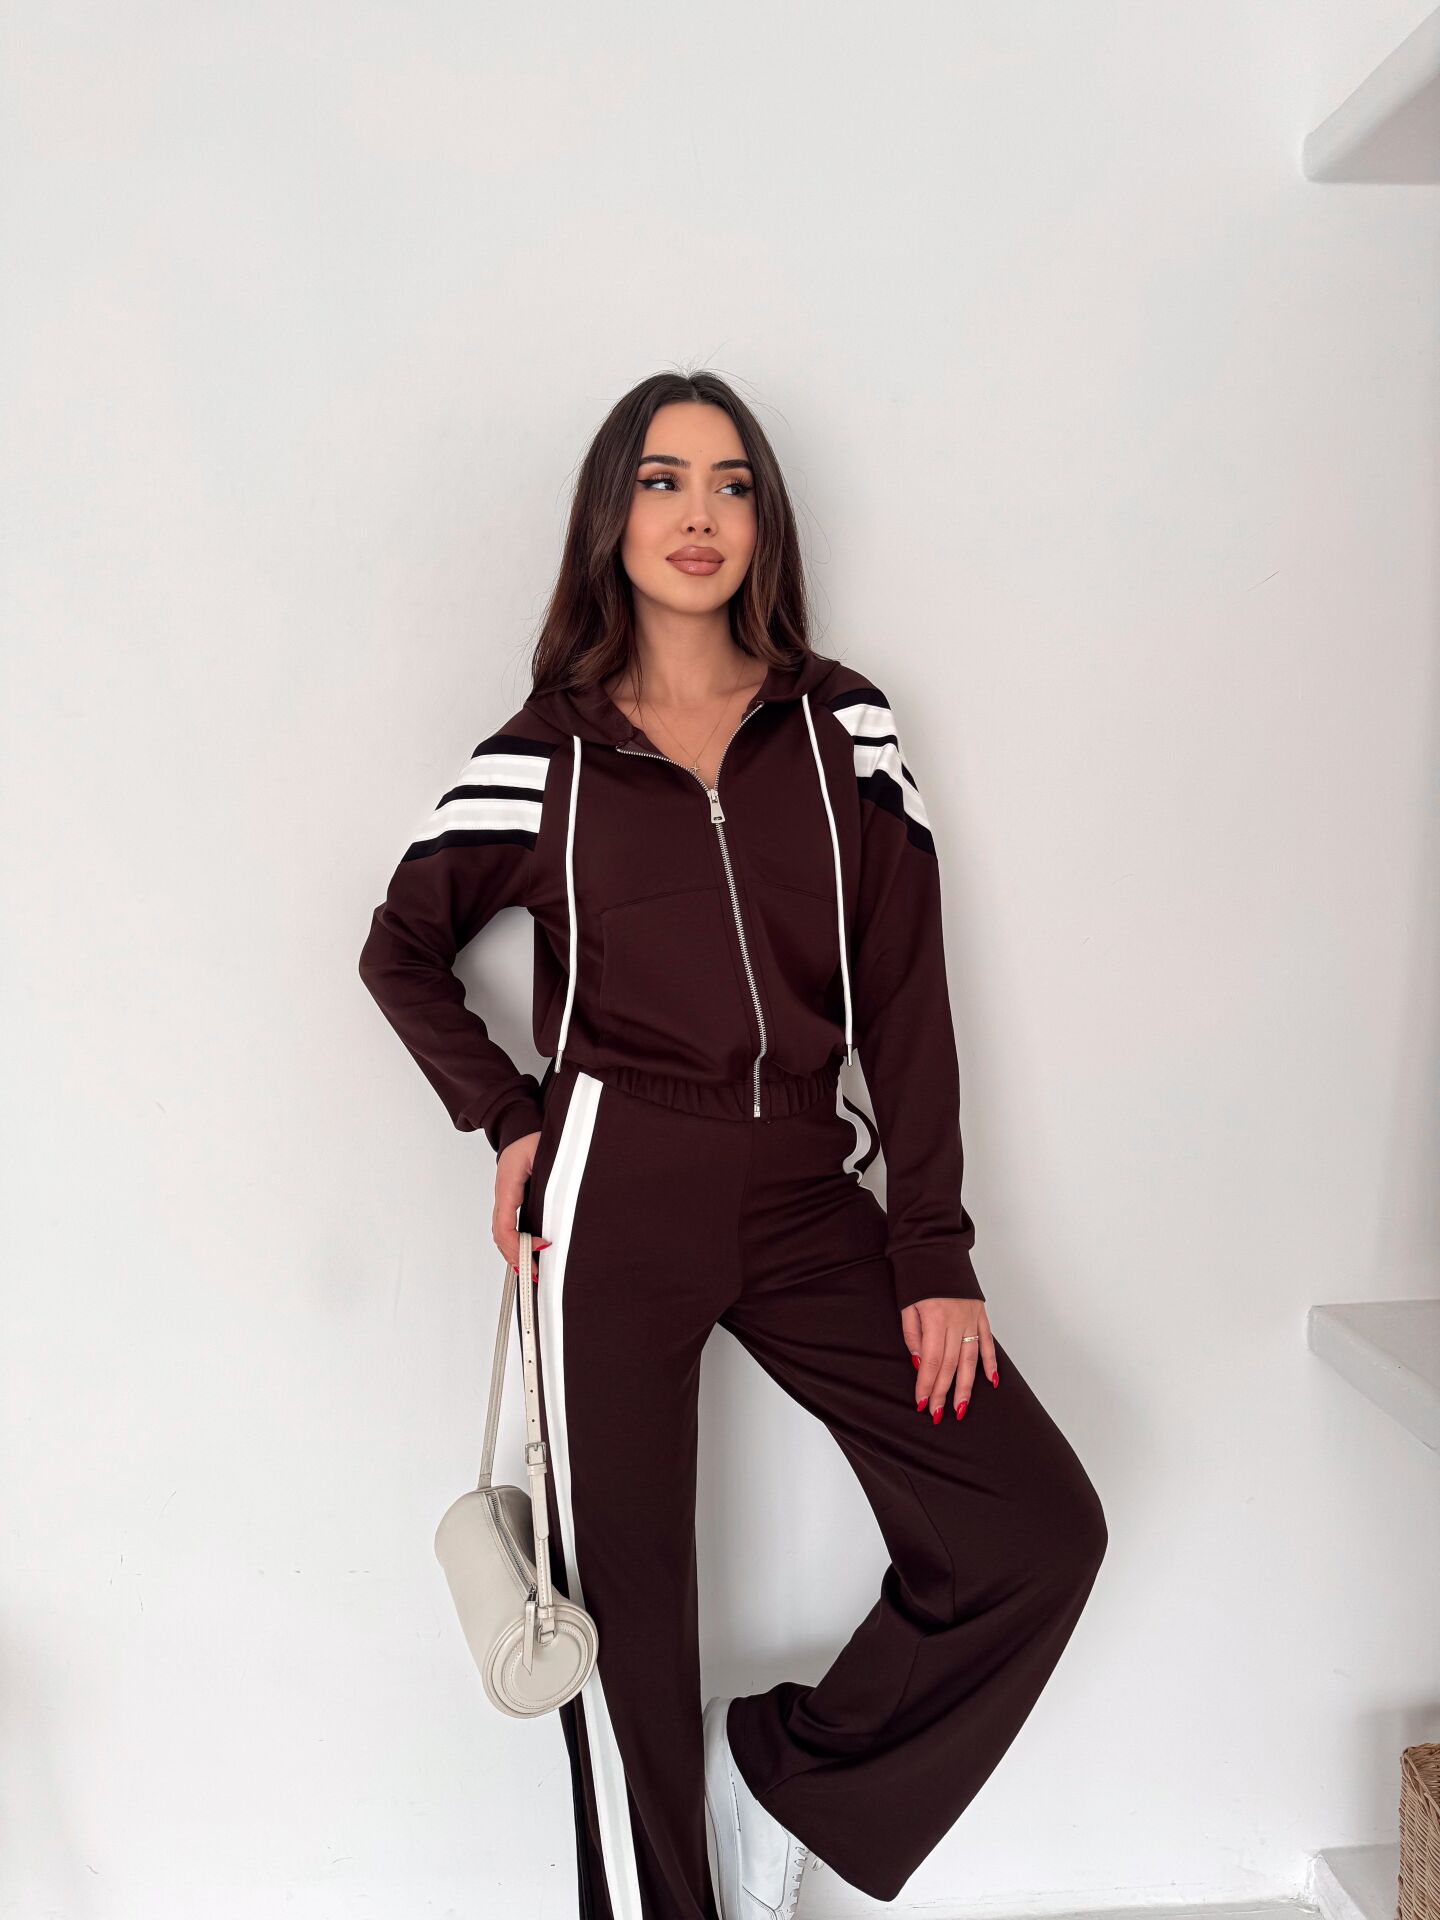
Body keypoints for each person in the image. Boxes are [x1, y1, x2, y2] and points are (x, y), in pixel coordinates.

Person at [358, 369, 1108, 1920]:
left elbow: (907, 994)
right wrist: (508, 1120)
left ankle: (777, 1782)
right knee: (623, 1630)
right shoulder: (544, 757)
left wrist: (934, 1244)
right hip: (609, 1194)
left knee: (1029, 1527)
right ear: (611, 517)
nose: (697, 514)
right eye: (661, 480)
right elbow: (399, 948)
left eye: (731, 483)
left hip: (803, 1187)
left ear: (765, 520)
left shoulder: (845, 728)